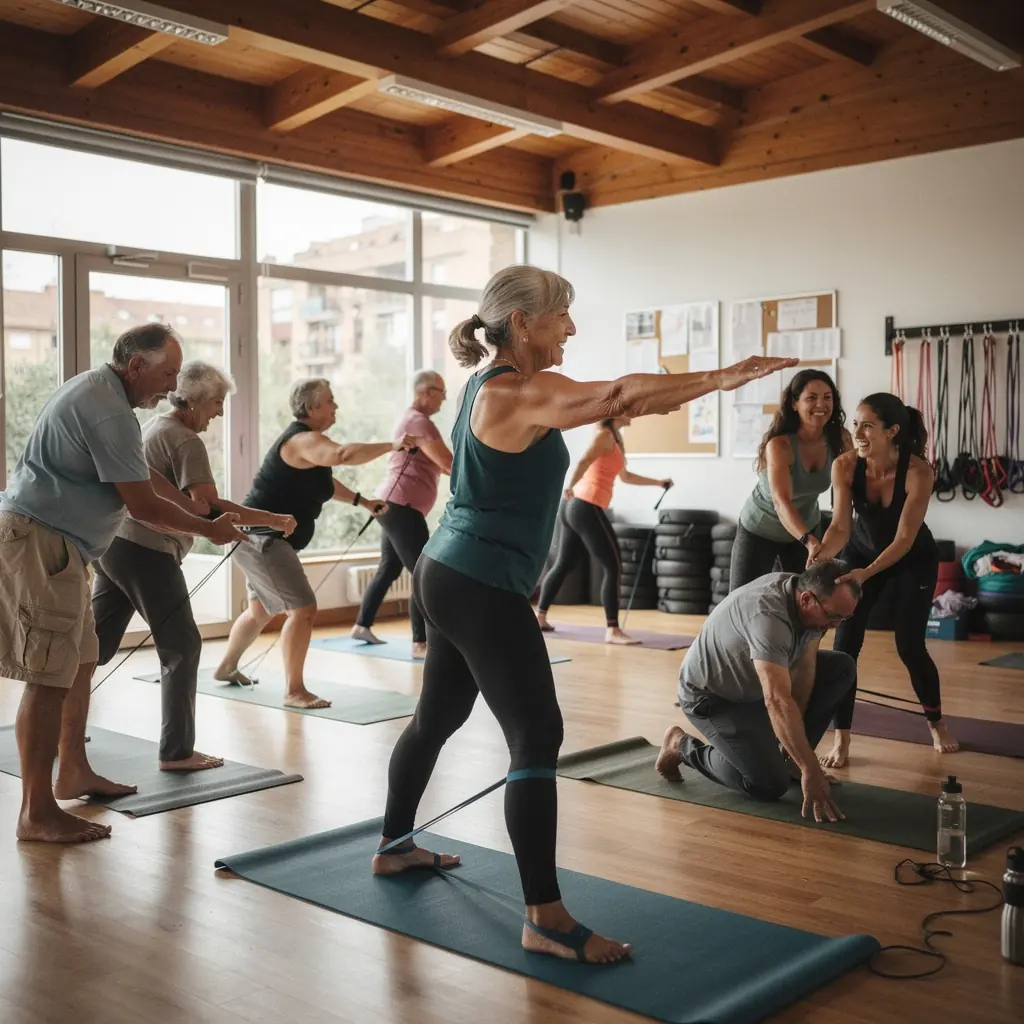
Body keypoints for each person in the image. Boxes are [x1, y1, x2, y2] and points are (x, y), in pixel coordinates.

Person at [369, 263, 797, 965]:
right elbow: (621, 392)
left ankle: (393, 845)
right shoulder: (514, 389)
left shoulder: (488, 385)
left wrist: (665, 395)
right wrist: (722, 377)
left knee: (438, 717)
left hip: (449, 571)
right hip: (477, 580)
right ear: (522, 323)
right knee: (537, 733)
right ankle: (545, 917)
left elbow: (614, 402)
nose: (570, 326)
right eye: (561, 314)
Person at [0, 325, 245, 843]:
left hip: (67, 547)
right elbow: (143, 505)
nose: (173, 386)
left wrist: (201, 515)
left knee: (79, 663)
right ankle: (35, 812)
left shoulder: (104, 394)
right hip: (42, 543)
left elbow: (142, 478)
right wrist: (207, 528)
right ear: (135, 366)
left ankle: (73, 771)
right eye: (167, 374)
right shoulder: (108, 408)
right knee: (47, 677)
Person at [91, 361, 297, 772]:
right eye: (217, 403)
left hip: (113, 545)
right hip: (147, 550)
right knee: (182, 646)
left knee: (95, 645)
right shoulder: (185, 439)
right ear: (195, 401)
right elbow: (210, 506)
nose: (219, 412)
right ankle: (177, 752)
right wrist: (272, 519)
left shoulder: (152, 427)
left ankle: (59, 723)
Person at [214, 378, 418, 709]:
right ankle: (294, 691)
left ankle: (226, 667)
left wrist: (363, 502)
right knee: (304, 610)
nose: (336, 406)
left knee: (259, 610)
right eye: (330, 400)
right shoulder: (302, 440)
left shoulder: (309, 448)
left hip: (257, 539)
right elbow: (342, 454)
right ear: (311, 407)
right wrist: (392, 445)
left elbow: (325, 483)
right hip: (264, 539)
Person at [812, 392, 959, 768]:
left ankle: (937, 723)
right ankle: (842, 738)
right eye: (855, 424)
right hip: (860, 552)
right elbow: (841, 527)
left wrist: (866, 574)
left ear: (892, 431)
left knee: (909, 646)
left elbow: (904, 539)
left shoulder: (918, 472)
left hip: (912, 559)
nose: (857, 433)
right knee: (845, 646)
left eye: (867, 426)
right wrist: (821, 555)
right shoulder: (845, 466)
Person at [655, 561, 860, 823]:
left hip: (755, 686)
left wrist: (800, 758)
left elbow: (804, 670)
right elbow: (777, 700)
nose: (837, 625)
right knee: (768, 784)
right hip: (712, 697)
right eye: (833, 617)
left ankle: (790, 761)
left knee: (841, 668)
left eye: (844, 618)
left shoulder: (808, 600)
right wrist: (811, 767)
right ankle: (681, 746)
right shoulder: (769, 617)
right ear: (807, 599)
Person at [535, 416, 672, 644]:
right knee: (613, 565)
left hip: (576, 506)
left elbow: (625, 476)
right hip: (585, 505)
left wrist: (658, 483)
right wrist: (570, 486)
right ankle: (613, 630)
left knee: (564, 563)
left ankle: (540, 617)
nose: (631, 413)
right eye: (627, 409)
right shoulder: (604, 436)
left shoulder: (614, 439)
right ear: (615, 414)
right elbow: (584, 460)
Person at [351, 370, 453, 658]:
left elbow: (440, 464)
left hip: (392, 504)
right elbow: (448, 463)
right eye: (442, 393)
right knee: (423, 572)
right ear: (426, 392)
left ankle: (362, 624)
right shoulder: (420, 423)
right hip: (401, 507)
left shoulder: (410, 418)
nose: (444, 399)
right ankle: (420, 643)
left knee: (390, 567)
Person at [730, 369, 852, 592]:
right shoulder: (780, 445)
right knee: (741, 598)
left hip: (807, 526)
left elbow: (849, 490)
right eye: (811, 398)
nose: (821, 404)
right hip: (761, 528)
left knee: (804, 600)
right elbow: (781, 501)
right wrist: (809, 540)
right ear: (794, 404)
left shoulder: (841, 439)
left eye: (827, 397)